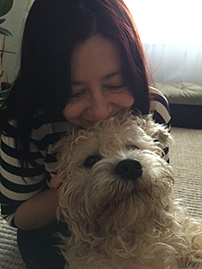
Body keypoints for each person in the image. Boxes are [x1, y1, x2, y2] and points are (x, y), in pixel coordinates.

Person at [0, 0, 171, 268]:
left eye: (115, 84)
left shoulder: (151, 106)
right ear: (46, 86)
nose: (101, 111)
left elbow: (157, 192)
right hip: (57, 220)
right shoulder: (23, 122)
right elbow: (17, 215)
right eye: (75, 92)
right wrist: (75, 188)